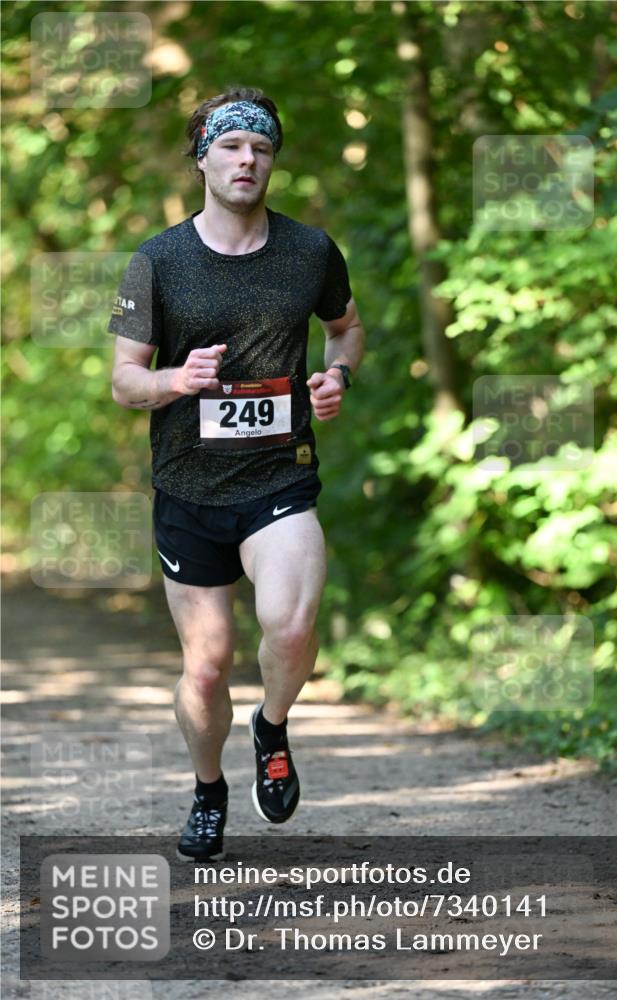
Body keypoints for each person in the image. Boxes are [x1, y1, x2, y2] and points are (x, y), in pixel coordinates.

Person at [108, 87, 365, 861]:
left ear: (271, 161)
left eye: (260, 148)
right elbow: (124, 381)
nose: (246, 159)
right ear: (202, 159)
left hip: (278, 482)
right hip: (188, 490)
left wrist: (337, 378)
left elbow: (345, 330)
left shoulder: (309, 251)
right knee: (208, 664)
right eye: (230, 146)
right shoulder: (157, 261)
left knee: (288, 625)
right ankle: (208, 788)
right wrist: (174, 382)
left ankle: (273, 727)